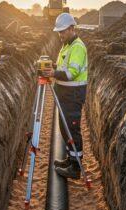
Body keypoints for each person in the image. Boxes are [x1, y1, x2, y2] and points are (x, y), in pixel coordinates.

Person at [42, 13, 88, 179]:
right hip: (64, 94)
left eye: (63, 31)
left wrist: (54, 73)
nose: (60, 35)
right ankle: (70, 159)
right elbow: (63, 66)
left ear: (71, 28)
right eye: (58, 32)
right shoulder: (66, 46)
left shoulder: (77, 47)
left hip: (73, 95)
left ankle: (76, 168)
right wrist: (53, 66)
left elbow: (72, 73)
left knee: (72, 129)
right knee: (64, 128)